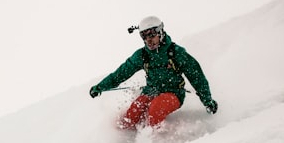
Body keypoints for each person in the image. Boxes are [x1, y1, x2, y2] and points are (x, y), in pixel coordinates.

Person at [89, 16, 218, 130]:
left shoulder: (176, 53)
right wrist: (100, 86)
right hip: (151, 91)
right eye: (144, 37)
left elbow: (197, 77)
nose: (148, 40)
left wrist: (208, 101)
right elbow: (121, 73)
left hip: (173, 93)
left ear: (160, 33)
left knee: (155, 110)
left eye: (151, 35)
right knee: (132, 115)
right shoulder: (142, 55)